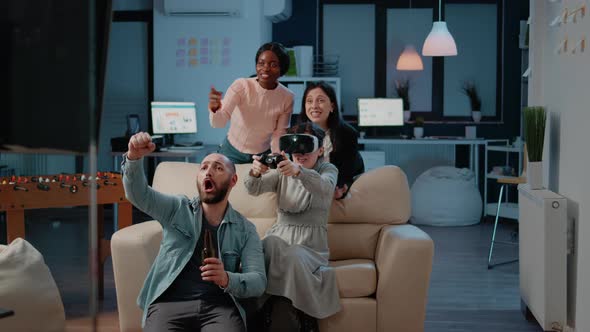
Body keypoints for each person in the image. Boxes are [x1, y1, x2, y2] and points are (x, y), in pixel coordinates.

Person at [121, 132, 266, 332]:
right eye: (204, 167)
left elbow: (258, 280)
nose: (208, 172)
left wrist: (226, 278)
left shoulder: (245, 229)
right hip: (169, 303)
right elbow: (139, 195)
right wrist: (134, 158)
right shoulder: (177, 208)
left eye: (218, 168)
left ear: (233, 181)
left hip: (219, 306)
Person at [245, 122, 341, 331]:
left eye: (306, 144)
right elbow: (253, 189)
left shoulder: (327, 169)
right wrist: (255, 172)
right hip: (280, 237)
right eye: (294, 144)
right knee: (268, 244)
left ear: (321, 149)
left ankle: (277, 313)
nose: (300, 152)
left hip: (310, 246)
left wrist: (299, 172)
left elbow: (324, 190)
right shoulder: (282, 171)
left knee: (294, 255)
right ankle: (280, 314)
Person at [208, 42, 294, 164]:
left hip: (262, 154)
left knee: (258, 182)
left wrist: (276, 155)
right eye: (261, 63)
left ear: (282, 69)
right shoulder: (241, 86)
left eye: (273, 64)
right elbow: (219, 123)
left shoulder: (287, 97)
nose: (265, 68)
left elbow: (279, 133)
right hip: (232, 150)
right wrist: (215, 108)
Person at [298, 81, 365, 199]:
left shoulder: (347, 134)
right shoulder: (297, 132)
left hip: (337, 183)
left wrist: (339, 188)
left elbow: (347, 172)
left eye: (320, 100)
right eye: (309, 101)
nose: (314, 106)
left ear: (332, 106)